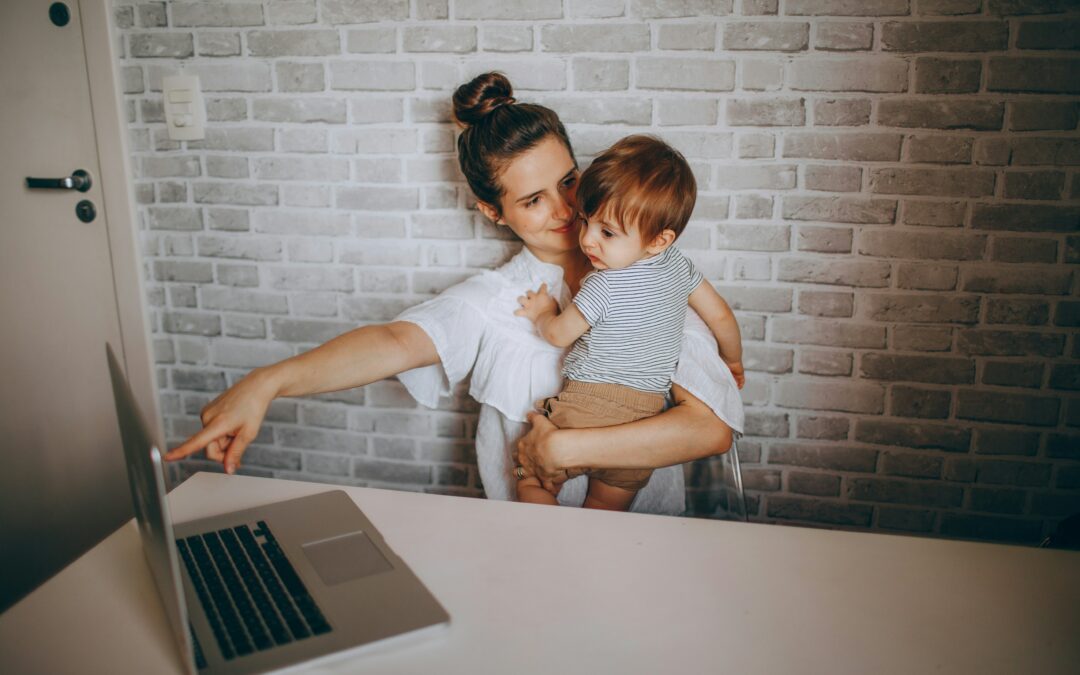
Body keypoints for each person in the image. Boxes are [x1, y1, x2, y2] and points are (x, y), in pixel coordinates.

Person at [165, 72, 744, 515]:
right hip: (528, 562)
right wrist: (268, 382)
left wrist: (564, 452)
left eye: (569, 181)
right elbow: (393, 341)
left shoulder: (653, 273)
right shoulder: (495, 301)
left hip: (646, 553)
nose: (567, 211)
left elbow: (709, 429)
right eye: (533, 199)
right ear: (495, 212)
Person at [514, 135, 744, 511]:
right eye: (586, 221)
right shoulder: (679, 266)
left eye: (607, 233)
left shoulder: (602, 286)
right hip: (642, 422)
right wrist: (732, 361)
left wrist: (542, 312)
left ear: (659, 240)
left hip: (583, 409)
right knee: (605, 515)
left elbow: (558, 335)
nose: (587, 240)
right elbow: (720, 315)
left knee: (530, 475)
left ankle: (543, 537)